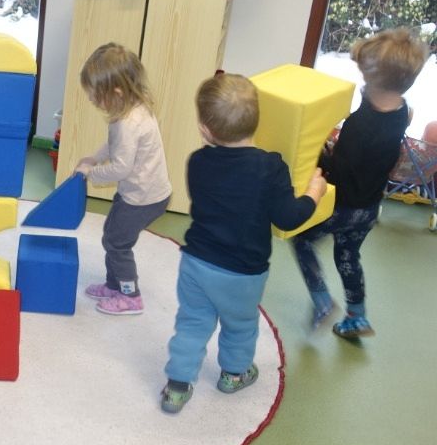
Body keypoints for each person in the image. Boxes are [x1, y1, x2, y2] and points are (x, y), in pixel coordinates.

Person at [162, 73, 326, 414]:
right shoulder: (271, 167)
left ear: (205, 129)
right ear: (257, 121)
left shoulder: (198, 161)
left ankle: (177, 386)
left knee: (192, 322)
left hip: (196, 263)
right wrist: (314, 193)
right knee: (240, 325)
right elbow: (288, 217)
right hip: (242, 273)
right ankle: (234, 375)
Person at [291, 28, 428, 339]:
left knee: (302, 240)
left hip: (342, 206)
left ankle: (322, 301)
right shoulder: (402, 111)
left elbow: (340, 171)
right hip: (368, 209)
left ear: (372, 77)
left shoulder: (359, 125)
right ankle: (357, 315)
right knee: (348, 255)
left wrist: (319, 152)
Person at [73, 43, 172, 315]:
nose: (91, 100)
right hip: (140, 191)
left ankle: (131, 296)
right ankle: (114, 285)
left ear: (116, 92)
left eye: (95, 95)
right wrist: (94, 158)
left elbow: (120, 168)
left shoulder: (128, 123)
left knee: (117, 243)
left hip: (143, 198)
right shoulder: (130, 110)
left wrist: (90, 173)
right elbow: (114, 145)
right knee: (112, 235)